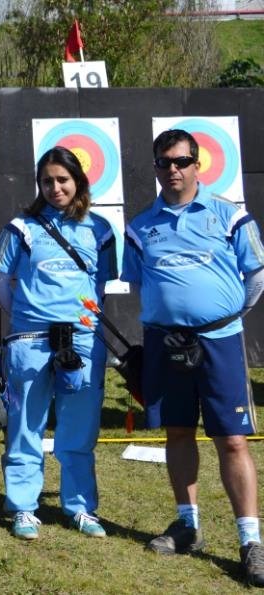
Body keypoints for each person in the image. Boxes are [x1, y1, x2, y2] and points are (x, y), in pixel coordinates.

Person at [122, 129, 264, 586]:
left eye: (181, 161)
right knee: (178, 432)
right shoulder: (140, 226)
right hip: (166, 344)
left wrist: (223, 318)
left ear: (196, 164)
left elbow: (256, 276)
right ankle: (187, 526)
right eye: (164, 162)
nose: (173, 170)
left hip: (220, 342)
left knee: (233, 440)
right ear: (156, 167)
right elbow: (141, 284)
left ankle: (250, 541)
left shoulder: (229, 215)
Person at [0, 146, 117, 540]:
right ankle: (23, 507)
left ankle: (80, 507)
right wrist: (27, 316)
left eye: (63, 180)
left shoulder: (100, 229)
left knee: (79, 428)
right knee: (25, 425)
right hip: (30, 340)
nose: (55, 188)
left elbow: (100, 287)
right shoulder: (21, 227)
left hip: (82, 342)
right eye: (47, 181)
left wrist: (82, 321)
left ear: (78, 181)